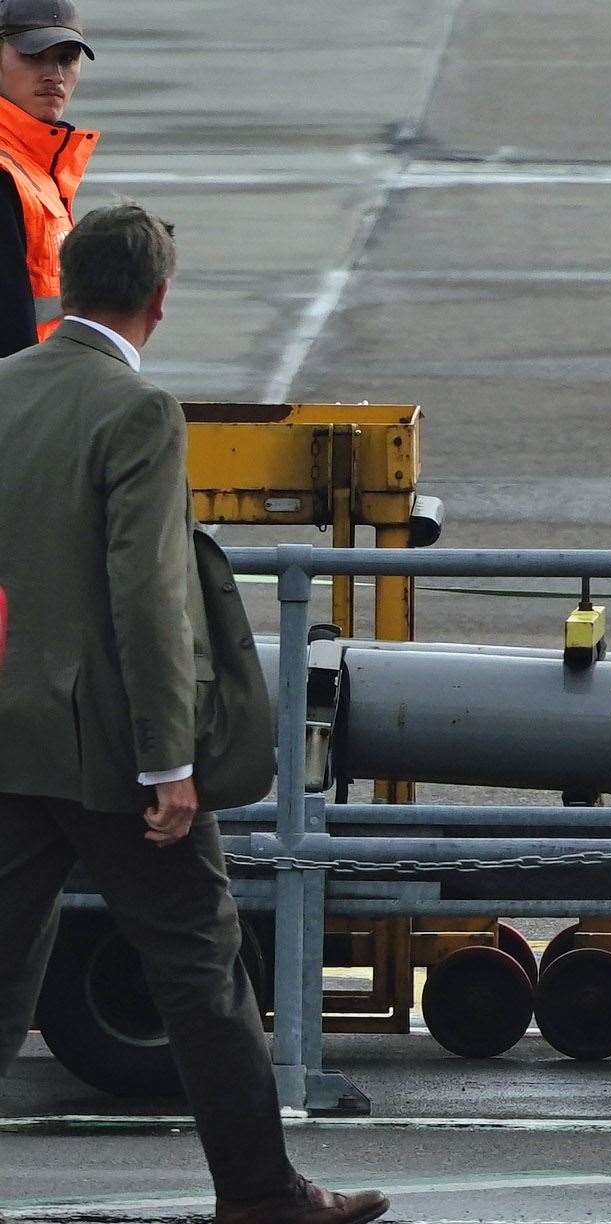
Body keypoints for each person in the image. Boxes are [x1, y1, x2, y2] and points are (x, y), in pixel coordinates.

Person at [0, 203, 389, 1224]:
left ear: (67, 283)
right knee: (201, 968)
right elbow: (149, 597)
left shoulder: (3, 388)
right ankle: (262, 1194)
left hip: (8, 736)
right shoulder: (136, 413)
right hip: (109, 758)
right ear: (159, 302)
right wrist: (166, 762)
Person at [0, 0, 97, 357]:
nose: (53, 74)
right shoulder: (7, 173)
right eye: (33, 56)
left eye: (67, 59)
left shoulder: (34, 167)